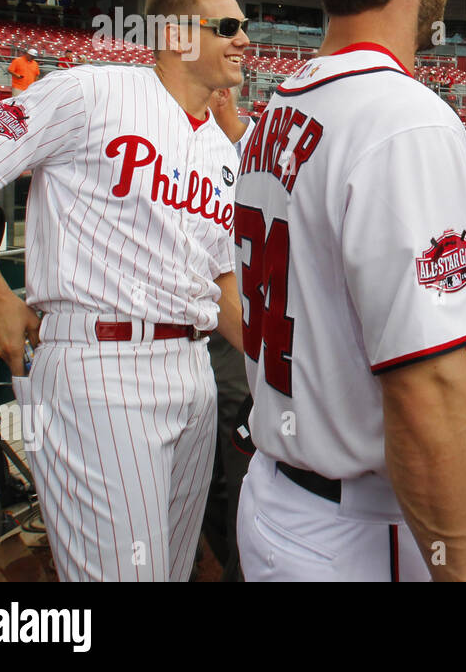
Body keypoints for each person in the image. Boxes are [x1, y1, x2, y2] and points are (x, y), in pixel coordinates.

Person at [0, 0, 248, 581]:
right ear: (180, 36)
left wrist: (286, 369)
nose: (246, 41)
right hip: (99, 367)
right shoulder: (90, 91)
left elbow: (223, 282)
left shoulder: (220, 145)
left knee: (167, 570)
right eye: (230, 27)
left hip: (192, 370)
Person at [234, 0, 466, 583]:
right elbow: (428, 386)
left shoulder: (275, 108)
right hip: (356, 531)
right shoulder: (403, 119)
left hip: (282, 500)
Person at [201, 84, 256, 581]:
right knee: (203, 472)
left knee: (238, 455)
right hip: (187, 331)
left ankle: (240, 566)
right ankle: (223, 557)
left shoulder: (261, 145)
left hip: (239, 326)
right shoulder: (183, 144)